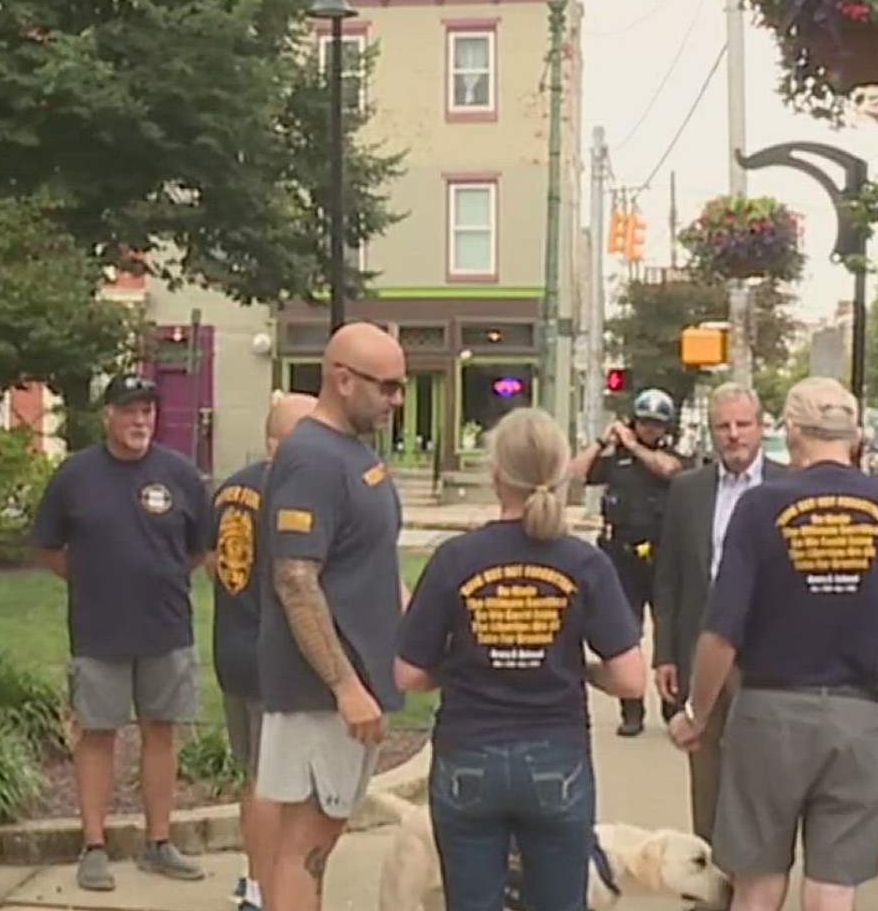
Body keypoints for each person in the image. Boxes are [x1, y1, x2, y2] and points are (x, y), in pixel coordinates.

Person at [669, 377, 878, 911]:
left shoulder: (760, 508)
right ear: (855, 436)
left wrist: (697, 710)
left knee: (756, 881)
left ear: (791, 432)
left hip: (768, 713)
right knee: (834, 886)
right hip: (860, 716)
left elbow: (720, 633)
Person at [395, 406, 646, 911]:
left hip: (469, 754)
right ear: (560, 475)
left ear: (495, 475)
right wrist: (579, 670)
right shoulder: (584, 563)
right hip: (557, 756)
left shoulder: (456, 559)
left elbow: (408, 673)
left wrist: (469, 667)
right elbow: (631, 680)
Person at [29, 373, 215, 893]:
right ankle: (94, 846)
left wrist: (159, 574)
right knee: (97, 736)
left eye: (148, 412)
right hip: (98, 630)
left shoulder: (180, 474)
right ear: (107, 416)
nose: (140, 421)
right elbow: (45, 547)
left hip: (166, 628)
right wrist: (92, 577)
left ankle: (159, 843)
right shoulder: (74, 476)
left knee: (161, 732)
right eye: (130, 411)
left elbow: (200, 549)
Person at [255, 322, 406, 911]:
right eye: (387, 387)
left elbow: (369, 560)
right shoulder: (312, 458)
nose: (396, 400)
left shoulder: (353, 452)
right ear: (342, 379)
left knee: (318, 840)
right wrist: (345, 686)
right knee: (306, 845)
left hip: (356, 682)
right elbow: (295, 580)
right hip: (323, 693)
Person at [652, 383, 785, 842]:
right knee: (706, 771)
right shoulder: (688, 491)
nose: (733, 435)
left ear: (761, 427)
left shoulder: (789, 486)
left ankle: (756, 878)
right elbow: (668, 578)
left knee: (764, 775)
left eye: (742, 425)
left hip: (769, 656)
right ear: (710, 434)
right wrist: (664, 652)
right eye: (722, 427)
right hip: (702, 649)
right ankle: (712, 882)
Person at [210, 392, 318, 911]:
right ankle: (263, 889)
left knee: (255, 775)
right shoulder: (293, 493)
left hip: (232, 643)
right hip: (276, 653)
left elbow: (214, 558)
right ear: (280, 441)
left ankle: (253, 879)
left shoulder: (231, 488)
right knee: (276, 781)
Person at [570, 387, 687, 735]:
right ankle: (631, 710)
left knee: (670, 631)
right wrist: (600, 441)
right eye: (644, 422)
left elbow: (670, 470)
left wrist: (634, 446)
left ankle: (672, 705)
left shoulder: (671, 456)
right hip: (620, 555)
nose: (650, 429)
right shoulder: (616, 460)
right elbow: (575, 474)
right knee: (625, 631)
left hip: (663, 555)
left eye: (656, 424)